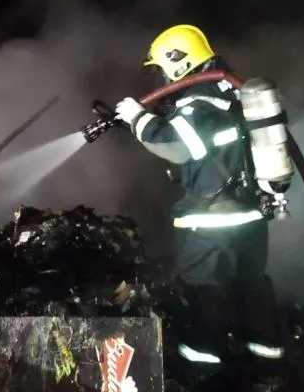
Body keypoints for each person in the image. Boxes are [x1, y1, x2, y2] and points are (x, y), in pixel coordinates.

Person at [114, 24, 284, 365]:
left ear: (178, 64)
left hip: (212, 220)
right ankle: (265, 345)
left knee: (205, 286)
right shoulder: (231, 96)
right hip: (252, 214)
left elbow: (175, 145)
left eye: (162, 70)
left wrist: (136, 118)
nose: (161, 78)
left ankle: (204, 354)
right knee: (251, 281)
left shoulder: (198, 104)